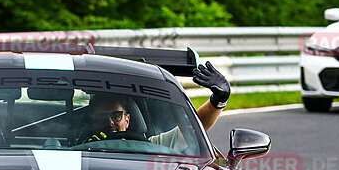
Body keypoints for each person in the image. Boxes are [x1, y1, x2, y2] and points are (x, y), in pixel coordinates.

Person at [82, 61, 231, 148]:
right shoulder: (76, 148)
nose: (110, 122)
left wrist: (219, 100)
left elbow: (193, 130)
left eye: (116, 115)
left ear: (127, 120)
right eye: (101, 117)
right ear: (91, 121)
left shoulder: (151, 146)